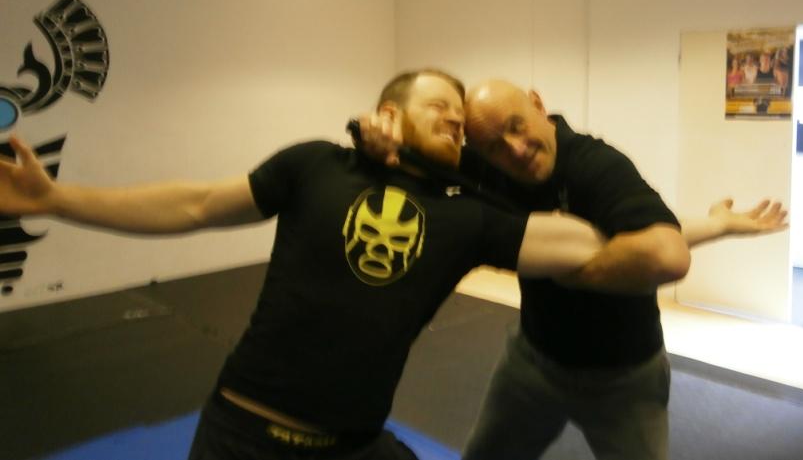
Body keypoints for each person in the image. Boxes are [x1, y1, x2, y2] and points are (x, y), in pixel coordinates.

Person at [0, 68, 661, 460]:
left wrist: (670, 234)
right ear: (388, 113)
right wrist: (57, 198)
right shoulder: (317, 164)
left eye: (462, 121)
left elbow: (581, 240)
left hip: (352, 444)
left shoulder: (470, 218)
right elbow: (194, 204)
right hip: (244, 435)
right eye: (441, 108)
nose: (456, 123)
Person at [458, 79, 787, 460]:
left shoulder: (594, 164)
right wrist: (717, 224)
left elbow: (665, 255)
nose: (515, 149)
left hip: (625, 379)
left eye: (517, 125)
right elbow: (631, 237)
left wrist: (566, 270)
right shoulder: (487, 172)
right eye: (494, 146)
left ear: (537, 104)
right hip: (532, 361)